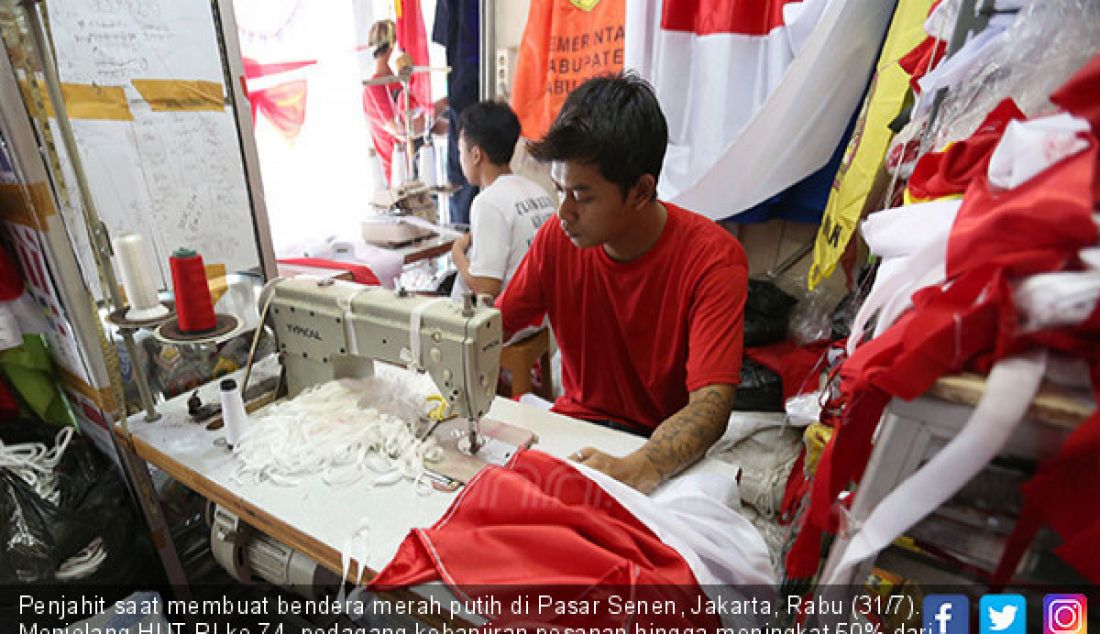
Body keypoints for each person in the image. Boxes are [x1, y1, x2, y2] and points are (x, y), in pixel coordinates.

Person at [497, 73, 749, 494]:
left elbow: (711, 404)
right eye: (559, 189)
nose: (564, 211)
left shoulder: (713, 260)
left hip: (658, 449)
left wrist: (638, 466)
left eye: (582, 194)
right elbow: (492, 326)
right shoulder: (556, 240)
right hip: (575, 434)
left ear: (640, 190)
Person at [450, 101, 556, 301]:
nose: (459, 159)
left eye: (460, 151)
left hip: (508, 326)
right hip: (540, 321)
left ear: (475, 155)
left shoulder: (488, 202)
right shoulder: (538, 191)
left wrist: (457, 256)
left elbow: (486, 289)